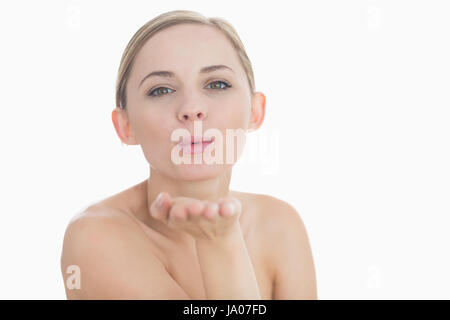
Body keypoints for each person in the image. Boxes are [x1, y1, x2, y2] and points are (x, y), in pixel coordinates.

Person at [60, 9, 317, 300]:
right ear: (125, 126)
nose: (192, 108)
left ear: (256, 112)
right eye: (161, 90)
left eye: (217, 84)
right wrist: (220, 242)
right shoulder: (95, 236)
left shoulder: (280, 223)